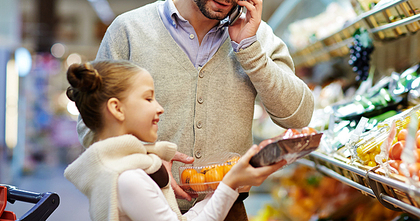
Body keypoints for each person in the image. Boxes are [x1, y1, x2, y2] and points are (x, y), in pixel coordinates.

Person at [78, 0, 314, 219]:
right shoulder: (129, 31)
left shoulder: (258, 37)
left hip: (229, 210)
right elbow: (90, 124)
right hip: (142, 207)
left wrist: (248, 49)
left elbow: (298, 116)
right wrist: (143, 160)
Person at [65, 60, 287, 221]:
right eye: (148, 98)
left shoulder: (123, 169)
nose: (159, 108)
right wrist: (230, 184)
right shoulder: (128, 179)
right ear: (116, 108)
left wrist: (228, 185)